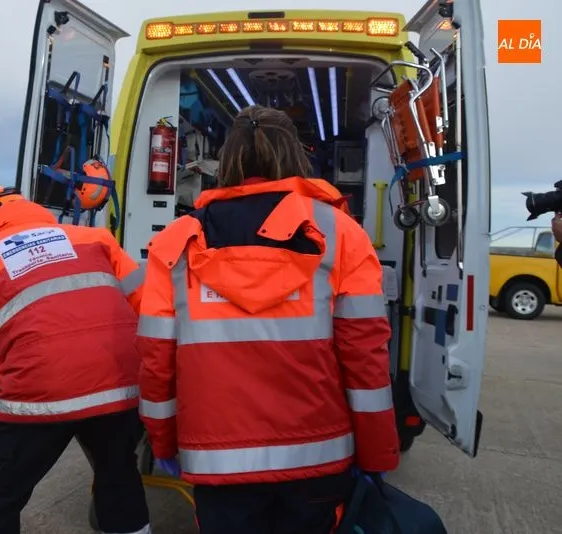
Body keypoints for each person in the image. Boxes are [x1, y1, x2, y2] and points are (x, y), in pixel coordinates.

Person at [136, 105, 400, 534]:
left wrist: (164, 440)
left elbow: (156, 359)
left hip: (216, 463)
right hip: (318, 457)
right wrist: (377, 454)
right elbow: (366, 359)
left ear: (228, 160)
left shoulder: (176, 243)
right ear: (296, 155)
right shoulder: (340, 234)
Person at [0, 186, 151, 534]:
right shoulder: (95, 238)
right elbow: (147, 306)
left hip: (38, 393)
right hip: (117, 383)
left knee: (1, 496)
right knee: (118, 474)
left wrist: (34, 377)